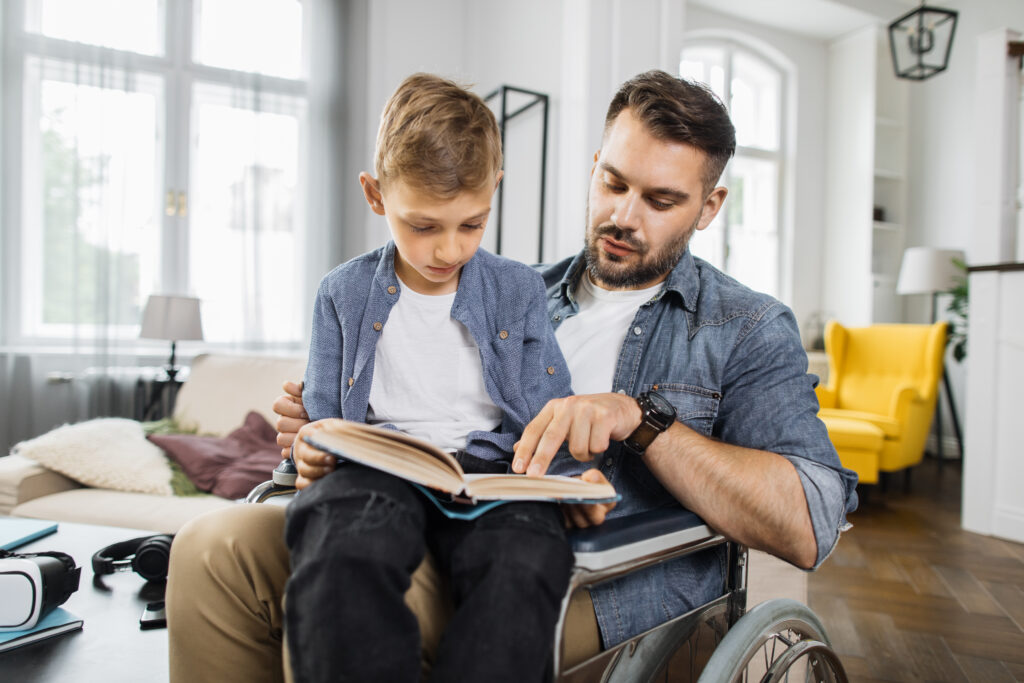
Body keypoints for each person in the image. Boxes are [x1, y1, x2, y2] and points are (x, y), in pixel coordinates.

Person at [166, 70, 857, 681]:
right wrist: (329, 430)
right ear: (593, 166)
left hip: (600, 579)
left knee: (367, 591)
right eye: (612, 182)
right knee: (211, 548)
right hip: (421, 511)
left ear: (708, 207)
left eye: (660, 199)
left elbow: (808, 519)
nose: (622, 214)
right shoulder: (512, 288)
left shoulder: (747, 327)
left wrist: (639, 421)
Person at [279, 72, 599, 682]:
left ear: (495, 191)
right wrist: (311, 451)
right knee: (342, 550)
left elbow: (548, 405)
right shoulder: (341, 293)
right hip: (377, 468)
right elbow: (321, 421)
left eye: (471, 224)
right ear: (376, 196)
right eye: (423, 226)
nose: (448, 249)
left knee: (527, 562)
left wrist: (570, 480)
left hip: (493, 475)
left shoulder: (518, 289)